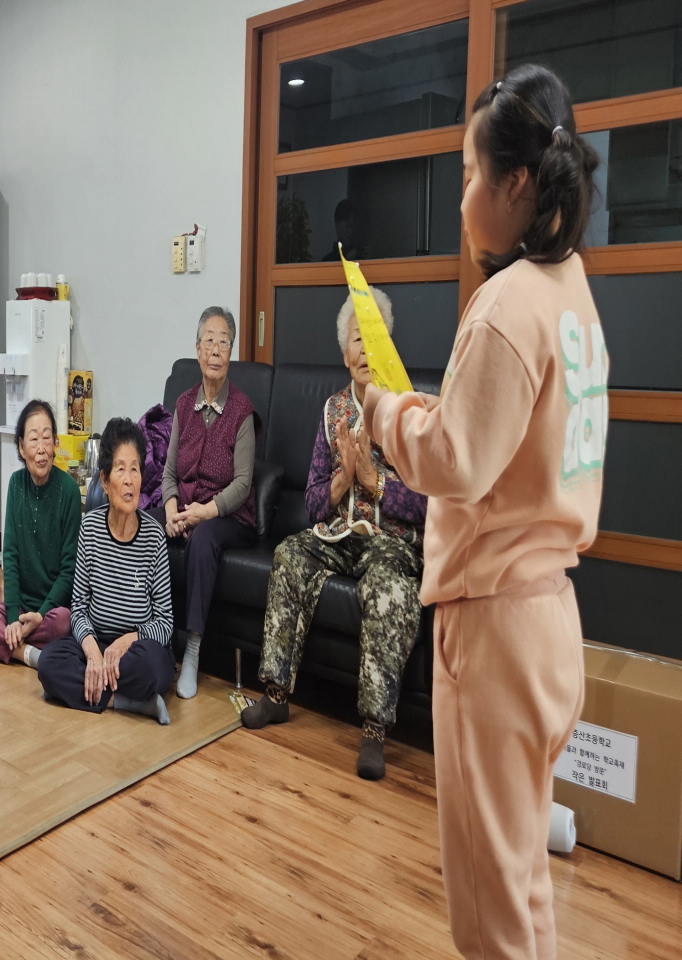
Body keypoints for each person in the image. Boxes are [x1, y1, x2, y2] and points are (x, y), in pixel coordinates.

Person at [363, 65, 604, 960]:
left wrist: (386, 409)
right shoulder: (572, 294)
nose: (463, 195)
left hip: (495, 631)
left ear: (514, 184)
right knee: (522, 885)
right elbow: (504, 447)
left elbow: (454, 462)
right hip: (550, 623)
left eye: (469, 175)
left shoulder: (506, 305)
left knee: (488, 908)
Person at [241, 288, 427, 781]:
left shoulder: (410, 411)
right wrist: (344, 480)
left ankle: (373, 730)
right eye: (356, 339)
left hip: (390, 544)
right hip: (338, 538)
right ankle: (276, 694)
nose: (366, 348)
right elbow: (313, 502)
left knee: (390, 591)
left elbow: (429, 502)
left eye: (375, 337)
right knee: (289, 556)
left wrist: (374, 482)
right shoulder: (332, 412)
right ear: (344, 352)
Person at [151, 306, 262, 700]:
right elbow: (167, 473)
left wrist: (204, 512)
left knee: (202, 540)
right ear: (197, 349)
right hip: (185, 509)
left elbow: (244, 485)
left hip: (229, 518)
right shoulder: (183, 404)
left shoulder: (242, 411)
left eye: (224, 341)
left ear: (230, 352)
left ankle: (193, 651)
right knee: (147, 528)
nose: (216, 349)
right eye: (209, 340)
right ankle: (153, 635)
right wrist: (169, 511)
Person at [37, 418, 176, 725]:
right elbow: (79, 609)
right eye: (121, 469)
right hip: (97, 641)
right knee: (48, 663)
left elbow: (165, 622)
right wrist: (93, 653)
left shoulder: (154, 537)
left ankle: (82, 692)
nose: (129, 480)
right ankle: (127, 703)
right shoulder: (90, 528)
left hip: (136, 649)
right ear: (104, 478)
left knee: (154, 668)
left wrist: (126, 641)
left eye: (135, 469)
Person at [0, 400, 80, 667]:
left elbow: (69, 569)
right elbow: (11, 555)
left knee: (64, 623)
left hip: (51, 610)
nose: (41, 449)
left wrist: (40, 614)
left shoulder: (69, 492)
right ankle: (27, 654)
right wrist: (12, 619)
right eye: (33, 439)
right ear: (20, 446)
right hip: (20, 609)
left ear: (55, 443)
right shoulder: (16, 485)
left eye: (47, 437)